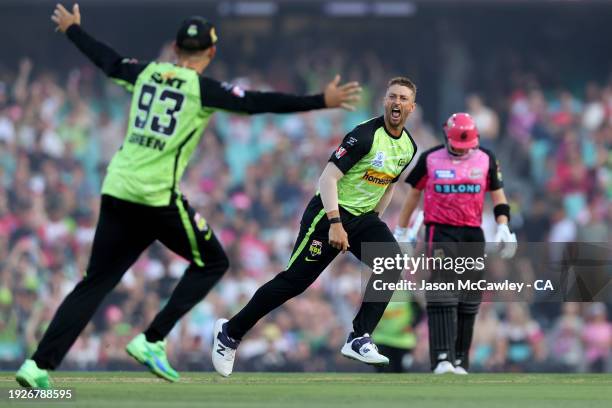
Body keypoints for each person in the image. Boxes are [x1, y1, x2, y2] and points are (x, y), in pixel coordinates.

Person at [15, 3, 361, 388]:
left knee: (95, 282)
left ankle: (37, 366)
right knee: (213, 262)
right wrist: (320, 101)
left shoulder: (145, 72)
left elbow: (108, 60)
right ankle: (151, 339)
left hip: (117, 188)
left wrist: (73, 30)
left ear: (176, 49)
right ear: (211, 53)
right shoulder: (201, 89)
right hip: (155, 196)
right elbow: (256, 102)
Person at [211, 77, 418, 377]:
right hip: (327, 214)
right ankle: (229, 332)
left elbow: (387, 186)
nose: (396, 102)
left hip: (362, 218)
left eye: (403, 98)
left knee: (391, 261)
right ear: (385, 101)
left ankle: (359, 337)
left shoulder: (408, 147)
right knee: (294, 282)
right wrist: (335, 223)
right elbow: (327, 178)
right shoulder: (364, 135)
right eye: (392, 97)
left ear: (411, 107)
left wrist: (373, 223)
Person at [394, 112, 516, 375]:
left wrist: (504, 225)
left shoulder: (486, 159)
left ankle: (460, 359)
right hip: (440, 231)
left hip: (472, 232)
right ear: (445, 136)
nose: (461, 152)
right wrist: (403, 229)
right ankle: (441, 358)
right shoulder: (430, 159)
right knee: (442, 293)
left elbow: (498, 195)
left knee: (469, 298)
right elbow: (413, 194)